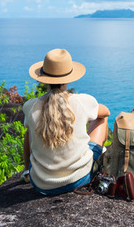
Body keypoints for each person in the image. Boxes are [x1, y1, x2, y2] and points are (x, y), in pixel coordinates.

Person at [21, 48, 110, 195]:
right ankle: (98, 159)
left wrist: (27, 169)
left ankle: (25, 170)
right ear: (69, 78)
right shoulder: (82, 101)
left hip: (41, 184)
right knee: (102, 118)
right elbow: (106, 112)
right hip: (80, 178)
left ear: (43, 78)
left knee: (29, 129)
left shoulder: (30, 106)